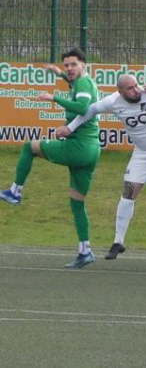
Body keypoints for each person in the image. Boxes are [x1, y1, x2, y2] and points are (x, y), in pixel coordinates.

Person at [56, 74, 146, 262]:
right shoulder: (113, 101)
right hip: (142, 152)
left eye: (136, 85)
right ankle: (118, 242)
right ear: (120, 91)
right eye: (130, 88)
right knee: (129, 191)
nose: (136, 90)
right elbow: (89, 110)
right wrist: (70, 128)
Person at [0, 48, 101, 269]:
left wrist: (53, 97)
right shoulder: (84, 82)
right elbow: (76, 88)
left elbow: (83, 107)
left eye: (73, 64)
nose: (69, 69)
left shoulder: (83, 84)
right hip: (91, 150)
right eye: (66, 65)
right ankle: (85, 251)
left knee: (30, 147)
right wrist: (58, 73)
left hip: (79, 146)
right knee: (77, 202)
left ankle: (15, 191)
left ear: (84, 64)